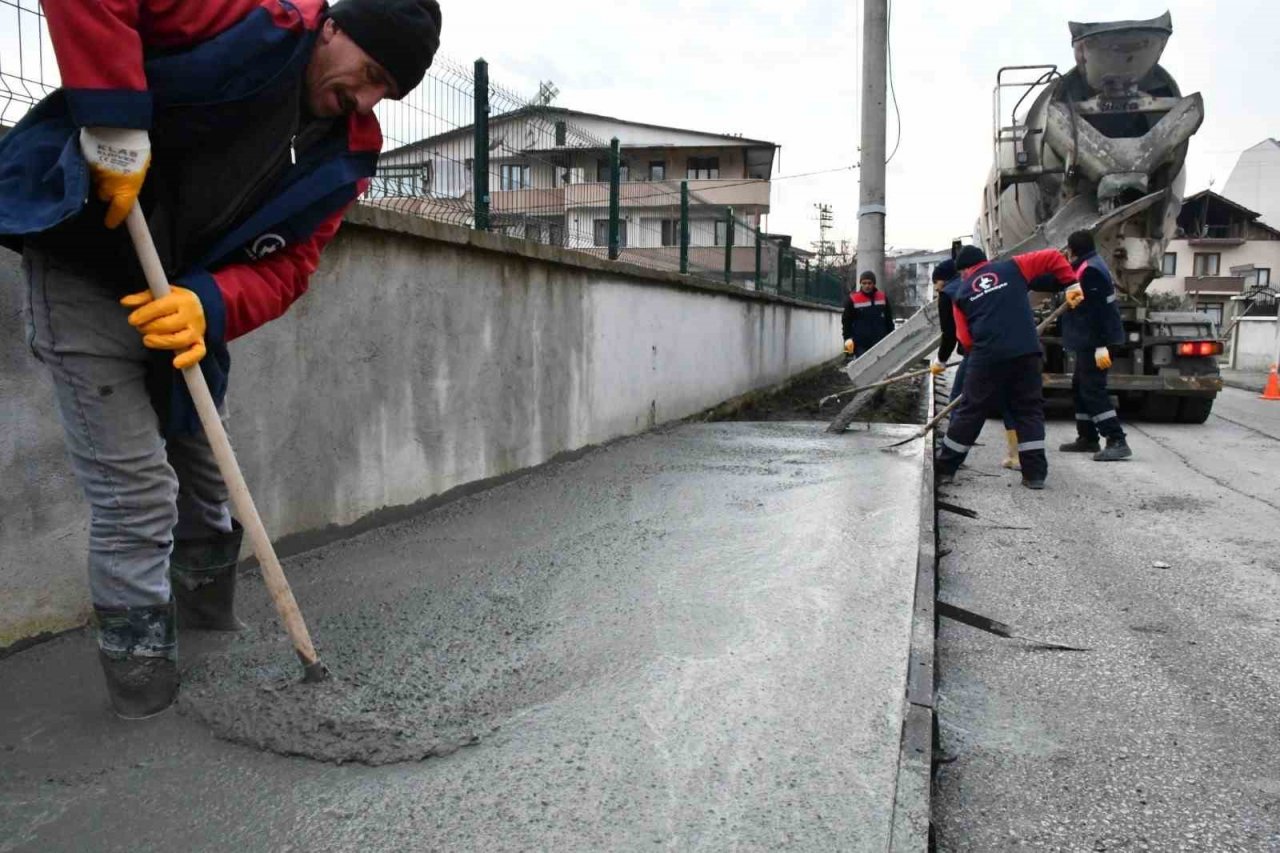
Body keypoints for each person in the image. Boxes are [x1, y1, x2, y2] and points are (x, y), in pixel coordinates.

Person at [0, 0, 442, 719]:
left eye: (385, 91)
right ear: (333, 27)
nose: (365, 100)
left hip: (183, 299)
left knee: (208, 479)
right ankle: (144, 695)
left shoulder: (345, 154)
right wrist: (114, 117)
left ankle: (212, 630)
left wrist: (207, 304)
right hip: (87, 256)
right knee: (139, 495)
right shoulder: (246, 18)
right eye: (368, 73)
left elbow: (290, 268)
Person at [935, 245, 1083, 490]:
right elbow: (1052, 256)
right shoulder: (1013, 267)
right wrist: (1072, 283)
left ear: (965, 270)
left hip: (987, 356)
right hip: (1026, 352)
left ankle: (945, 469)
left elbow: (965, 339)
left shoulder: (960, 293)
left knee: (971, 410)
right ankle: (1034, 475)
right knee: (1028, 410)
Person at [931, 260, 1021, 470]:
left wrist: (941, 360)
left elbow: (950, 334)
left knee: (960, 400)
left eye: (936, 281)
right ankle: (1016, 456)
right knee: (1008, 402)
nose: (936, 287)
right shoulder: (973, 284)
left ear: (943, 279)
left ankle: (951, 454)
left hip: (978, 352)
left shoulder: (948, 294)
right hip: (1006, 348)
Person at [1059, 230, 1132, 461]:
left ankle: (1117, 440)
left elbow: (1097, 310)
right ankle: (1088, 438)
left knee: (1093, 389)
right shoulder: (1088, 264)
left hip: (1098, 341)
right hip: (1089, 340)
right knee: (1079, 385)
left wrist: (1101, 345)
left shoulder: (1090, 270)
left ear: (1072, 249)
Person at [842, 270, 895, 359]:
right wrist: (848, 352)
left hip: (880, 342)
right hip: (860, 345)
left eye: (869, 283)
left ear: (874, 284)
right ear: (861, 284)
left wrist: (892, 340)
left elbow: (889, 320)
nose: (867, 286)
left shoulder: (882, 298)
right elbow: (846, 326)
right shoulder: (852, 299)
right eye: (864, 283)